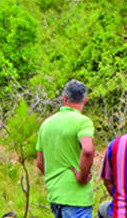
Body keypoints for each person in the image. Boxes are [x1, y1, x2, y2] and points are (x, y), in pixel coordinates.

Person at [35, 80, 95, 218]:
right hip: (77, 198)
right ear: (85, 99)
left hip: (55, 195)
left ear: (64, 98)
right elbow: (87, 150)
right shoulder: (83, 122)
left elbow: (40, 163)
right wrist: (82, 176)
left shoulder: (46, 124)